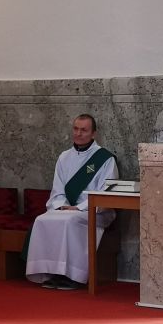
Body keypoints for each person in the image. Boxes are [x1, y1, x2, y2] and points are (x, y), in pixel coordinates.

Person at [25, 114, 118, 290]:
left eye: (84, 130)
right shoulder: (64, 157)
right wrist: (61, 205)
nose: (78, 133)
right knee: (42, 220)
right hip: (66, 208)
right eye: (76, 129)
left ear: (94, 133)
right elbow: (58, 188)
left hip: (95, 210)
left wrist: (78, 207)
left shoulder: (105, 159)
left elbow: (106, 193)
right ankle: (52, 272)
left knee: (70, 221)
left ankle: (73, 275)